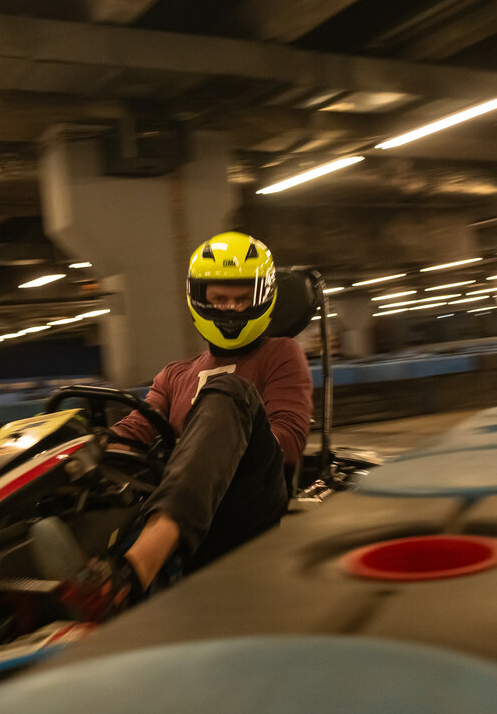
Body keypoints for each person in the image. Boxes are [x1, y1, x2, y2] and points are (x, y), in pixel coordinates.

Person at [62, 231, 312, 619]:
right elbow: (135, 430)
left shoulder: (281, 352)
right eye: (219, 298)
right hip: (176, 496)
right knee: (76, 441)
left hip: (249, 499)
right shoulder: (174, 374)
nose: (231, 308)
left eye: (241, 299)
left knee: (230, 391)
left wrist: (214, 444)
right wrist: (86, 449)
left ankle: (135, 571)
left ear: (263, 298)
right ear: (200, 299)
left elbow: (290, 440)